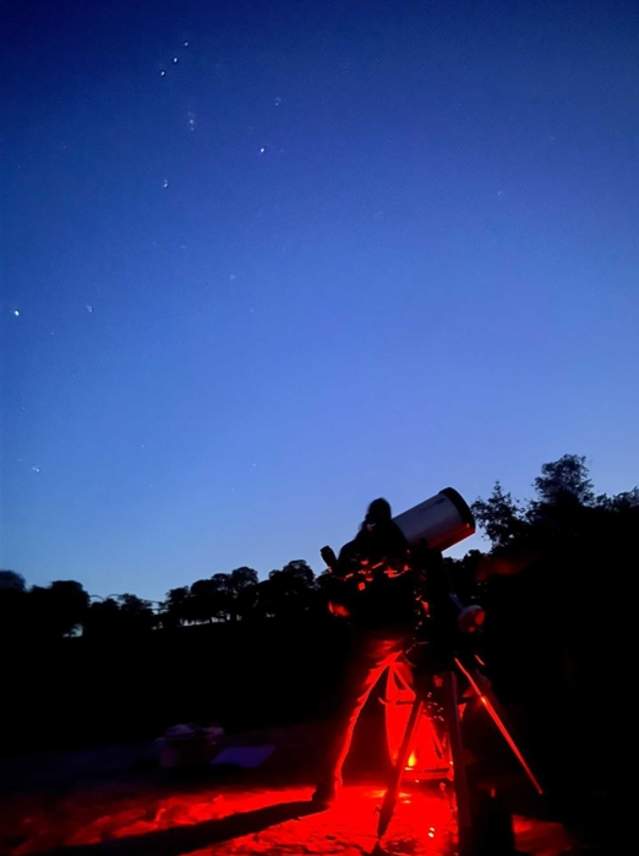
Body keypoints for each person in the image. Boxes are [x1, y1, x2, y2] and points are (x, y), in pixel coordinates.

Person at [312, 497, 426, 807]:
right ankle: (444, 765)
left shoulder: (357, 551)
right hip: (405, 636)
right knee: (430, 701)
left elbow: (339, 603)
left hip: (376, 638)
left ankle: (328, 786)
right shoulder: (404, 547)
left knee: (347, 712)